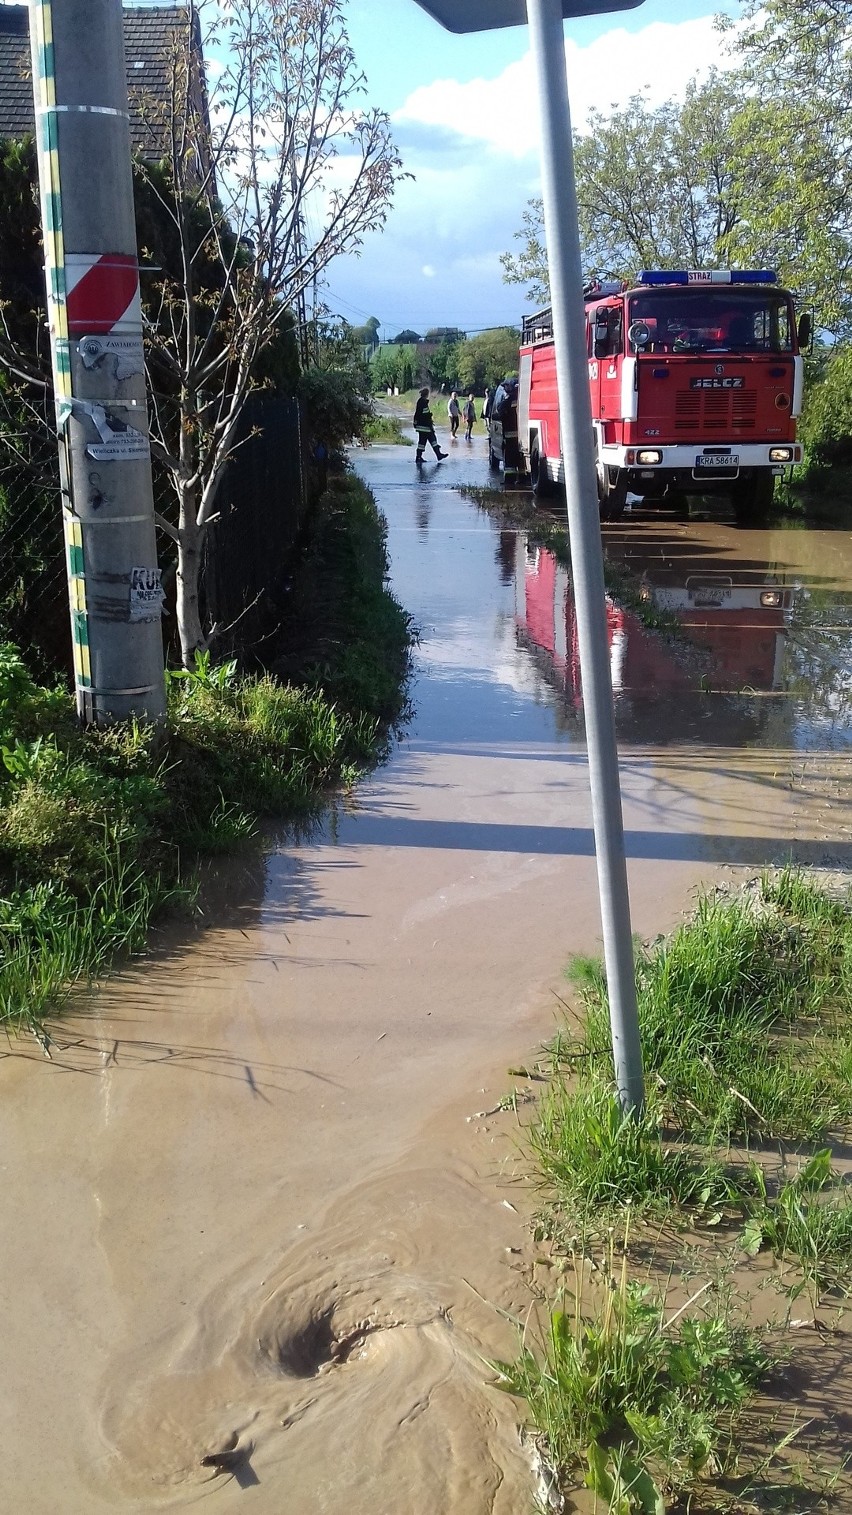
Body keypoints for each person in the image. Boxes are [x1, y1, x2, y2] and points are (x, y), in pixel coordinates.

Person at [413, 388, 448, 464]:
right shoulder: (423, 402)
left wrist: (415, 423)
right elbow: (423, 414)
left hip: (423, 426)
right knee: (427, 441)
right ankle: (436, 455)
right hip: (425, 426)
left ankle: (436, 455)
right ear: (427, 394)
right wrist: (430, 416)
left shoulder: (421, 401)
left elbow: (418, 414)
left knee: (427, 441)